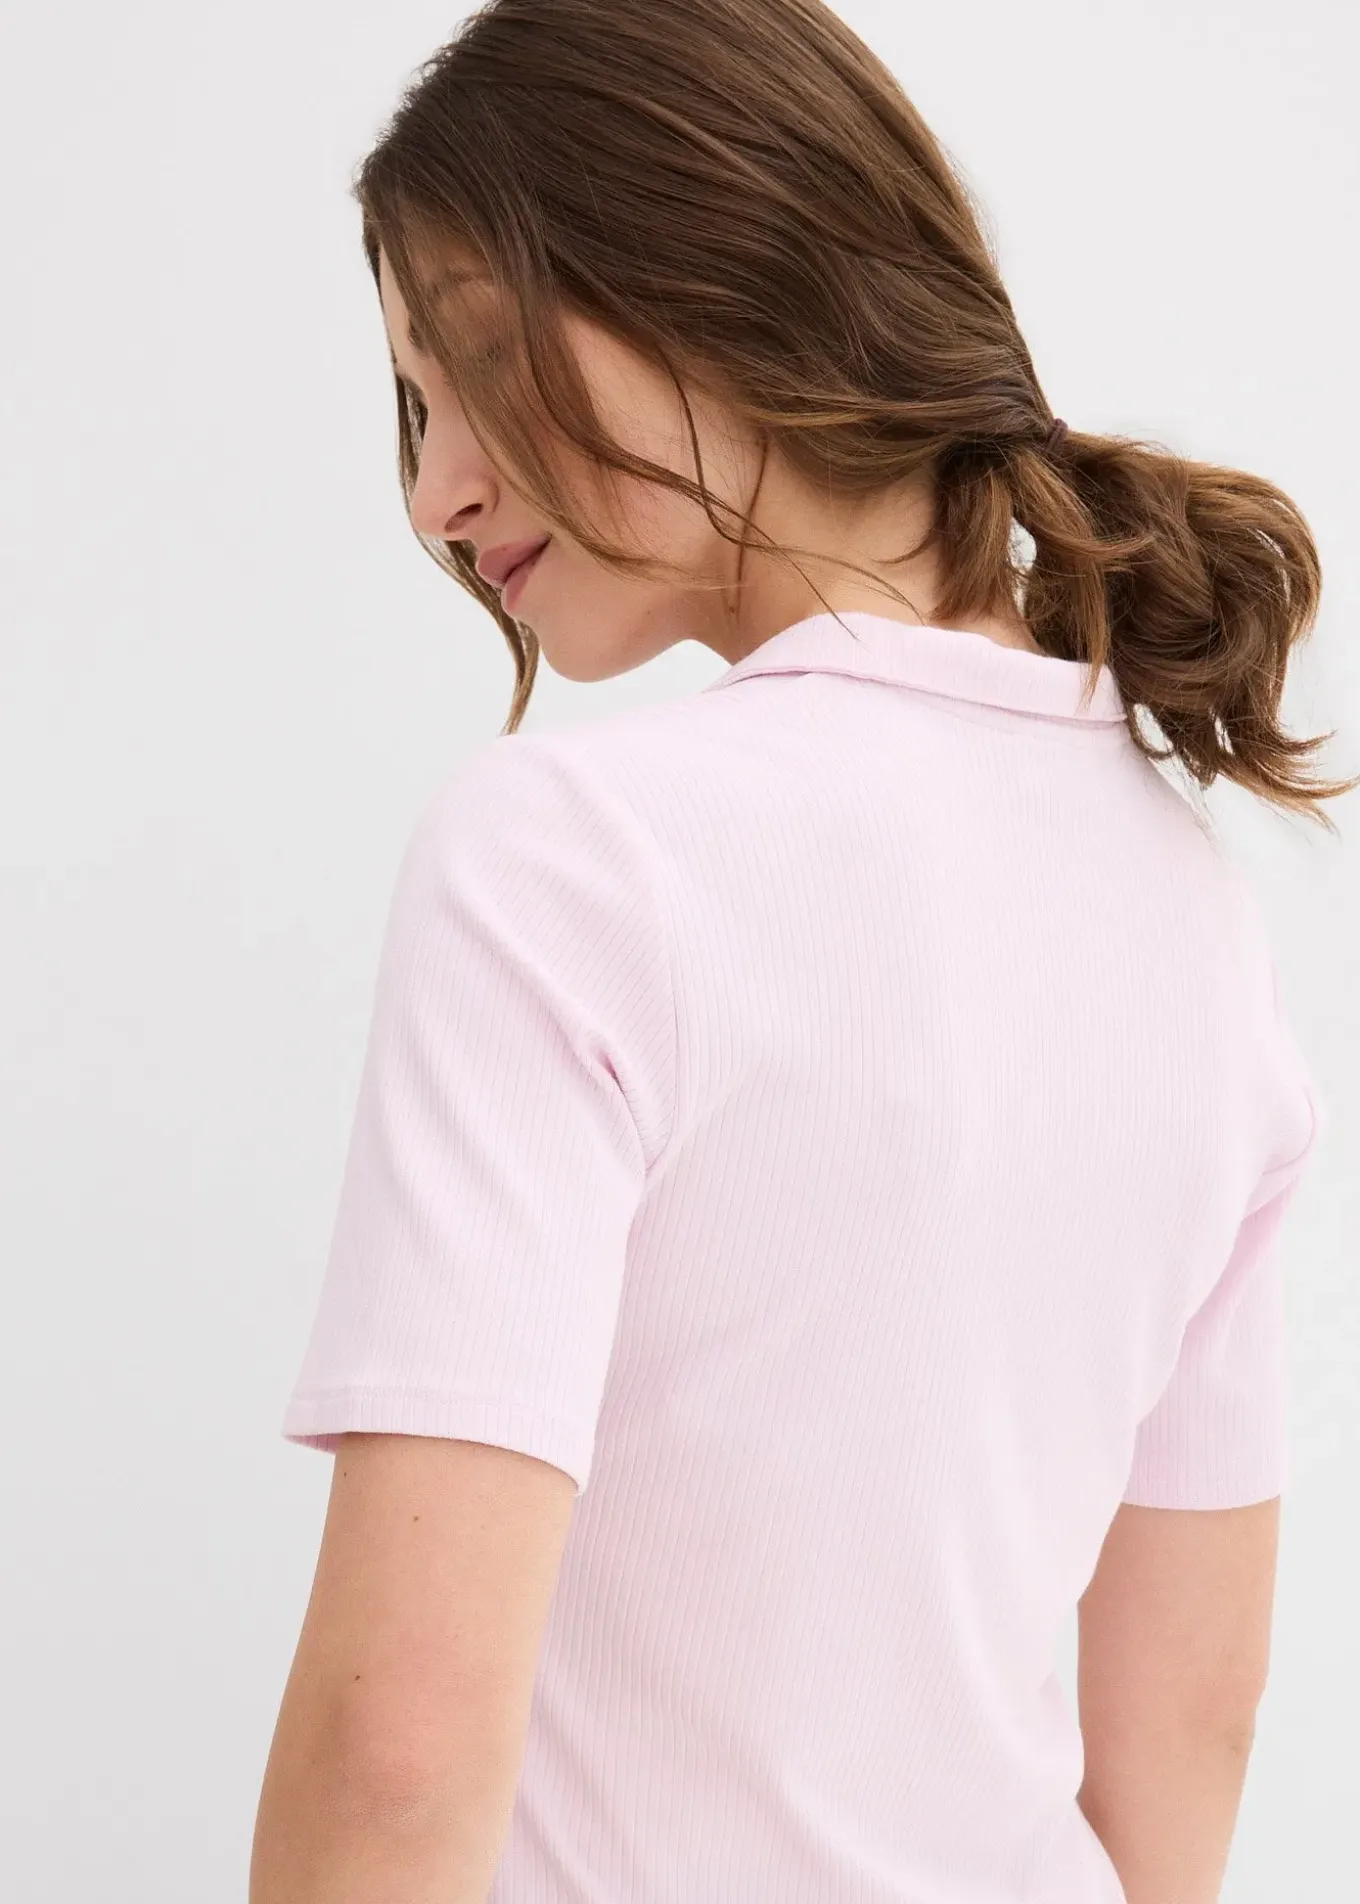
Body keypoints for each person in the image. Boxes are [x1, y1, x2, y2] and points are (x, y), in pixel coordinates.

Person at [250, 4, 1355, 1902]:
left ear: (727, 271)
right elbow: (1192, 1720)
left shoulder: (569, 861)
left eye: (475, 364)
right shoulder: (1191, 912)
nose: (434, 491)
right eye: (415, 411)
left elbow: (398, 1757)